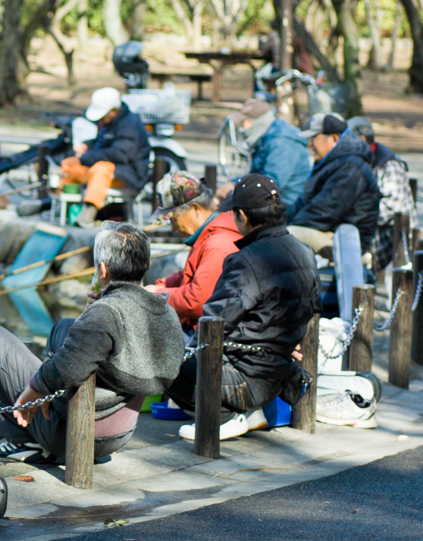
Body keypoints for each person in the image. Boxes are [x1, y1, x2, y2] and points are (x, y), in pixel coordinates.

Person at [0, 223, 184, 463]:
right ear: (147, 265)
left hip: (78, 435)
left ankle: (20, 440)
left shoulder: (107, 314)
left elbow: (65, 370)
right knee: (64, 326)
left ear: (102, 270)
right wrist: (91, 312)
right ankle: (36, 433)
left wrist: (32, 393)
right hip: (120, 432)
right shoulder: (166, 313)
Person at [166, 174, 321, 441]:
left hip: (244, 377)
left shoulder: (246, 259)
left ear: (242, 215)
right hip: (280, 372)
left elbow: (214, 322)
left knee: (163, 360)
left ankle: (224, 417)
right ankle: (250, 413)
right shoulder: (304, 251)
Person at [145, 172, 241, 334]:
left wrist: (158, 294)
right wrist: (162, 285)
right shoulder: (210, 236)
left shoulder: (217, 244)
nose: (173, 228)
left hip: (206, 335)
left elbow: (196, 301)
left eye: (173, 219)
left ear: (195, 209)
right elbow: (193, 274)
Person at [286, 113, 381, 255]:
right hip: (330, 231)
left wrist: (284, 228)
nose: (310, 144)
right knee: (271, 233)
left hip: (347, 239)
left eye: (314, 138)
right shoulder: (331, 161)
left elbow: (325, 211)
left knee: (285, 237)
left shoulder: (351, 167)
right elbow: (304, 202)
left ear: (333, 138)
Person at [60, 87, 151, 228]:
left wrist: (86, 157)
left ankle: (88, 212)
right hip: (107, 169)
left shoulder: (129, 125)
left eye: (103, 115)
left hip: (129, 175)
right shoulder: (110, 122)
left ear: (113, 111)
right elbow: (103, 144)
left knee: (101, 168)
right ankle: (61, 204)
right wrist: (86, 147)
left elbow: (119, 154)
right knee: (69, 163)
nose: (101, 119)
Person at [346, 116, 417, 271]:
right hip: (370, 226)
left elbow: (392, 206)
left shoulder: (388, 163)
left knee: (349, 258)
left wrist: (358, 216)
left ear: (362, 139)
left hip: (391, 233)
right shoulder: (359, 159)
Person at [215, 99, 312, 205]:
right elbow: (257, 176)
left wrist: (237, 185)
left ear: (258, 122)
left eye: (245, 123)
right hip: (271, 198)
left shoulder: (282, 142)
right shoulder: (266, 137)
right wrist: (236, 183)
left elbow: (271, 183)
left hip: (286, 203)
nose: (241, 129)